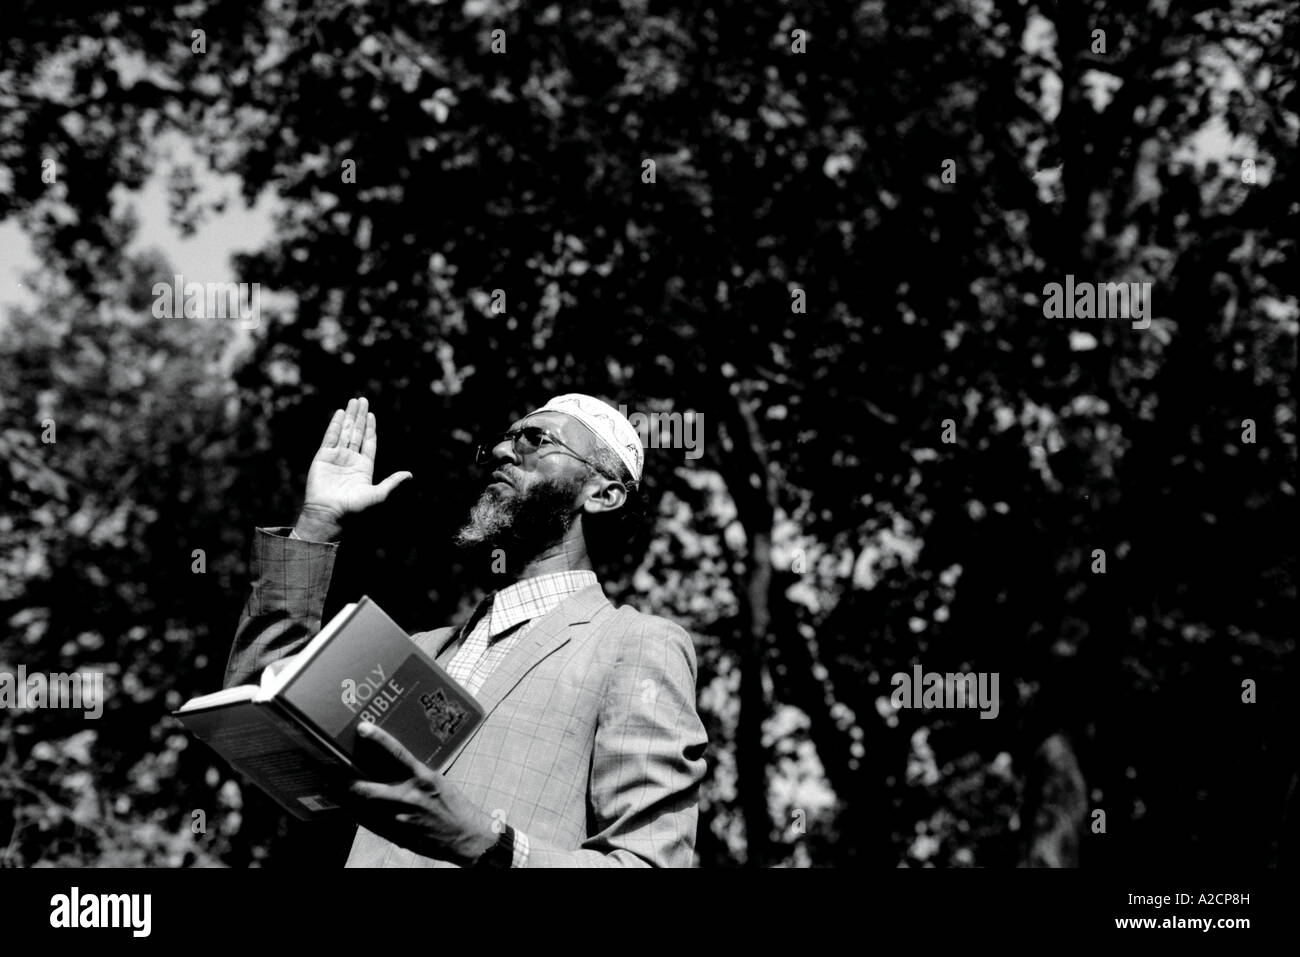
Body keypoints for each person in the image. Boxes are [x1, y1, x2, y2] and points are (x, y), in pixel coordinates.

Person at [223, 393, 709, 867]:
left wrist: (482, 842)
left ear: (604, 494)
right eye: (506, 439)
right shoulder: (418, 652)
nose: (502, 452)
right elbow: (257, 711)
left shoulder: (636, 644)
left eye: (536, 440)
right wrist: (317, 524)